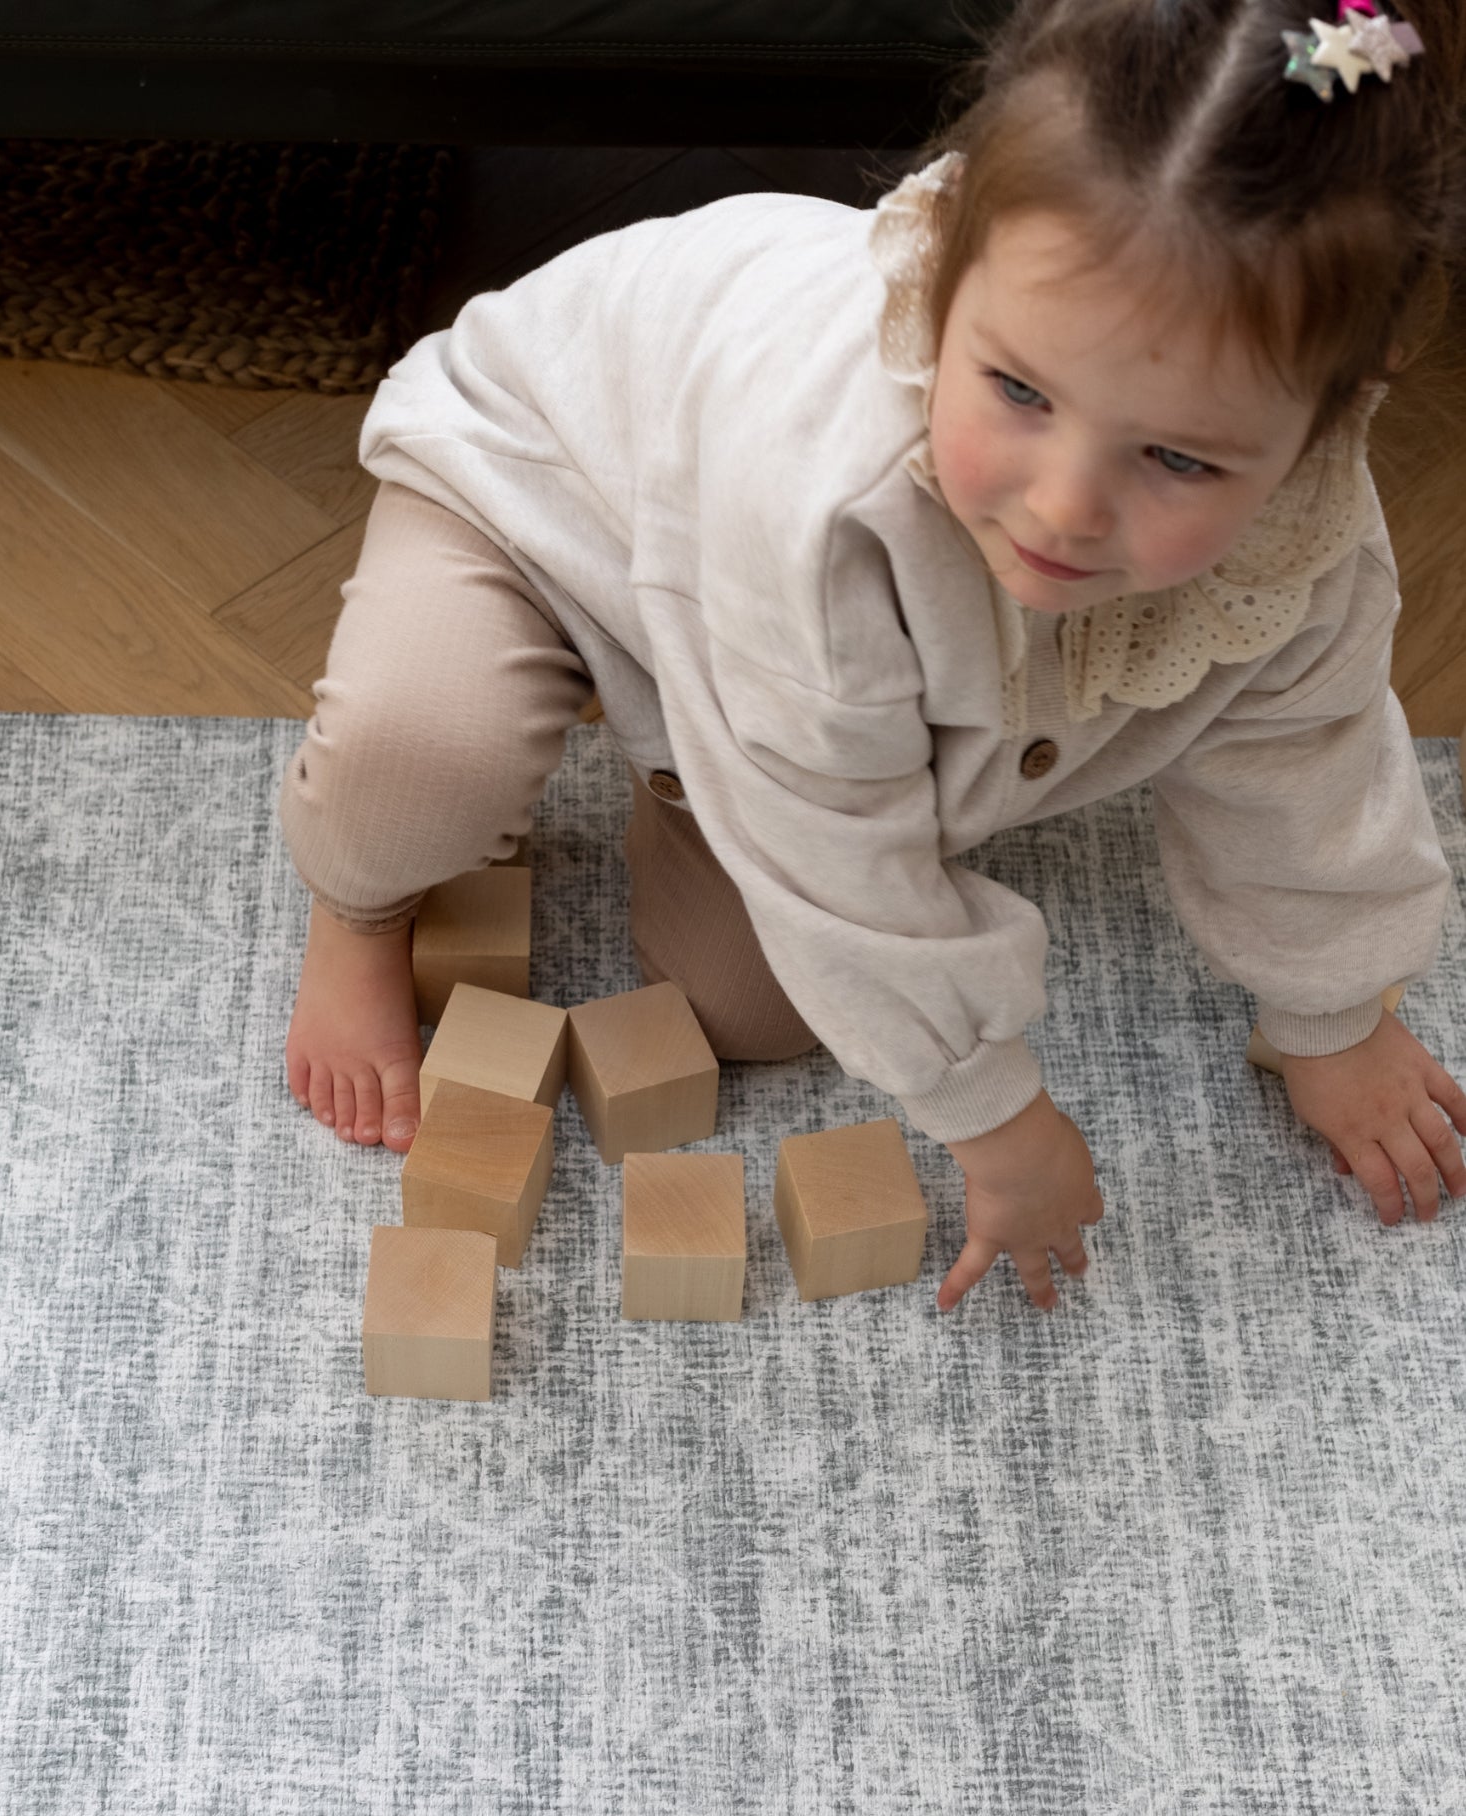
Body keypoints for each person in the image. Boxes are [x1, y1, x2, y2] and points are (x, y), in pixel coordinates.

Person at [280, 0, 1466, 1314]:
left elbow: (1313, 779)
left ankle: (692, 764)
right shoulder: (821, 485)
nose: (1064, 506)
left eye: (1178, 458)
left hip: (743, 646)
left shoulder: (1308, 548)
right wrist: (998, 1125)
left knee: (749, 1014)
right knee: (418, 774)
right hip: (538, 505)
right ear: (946, 261)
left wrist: (1335, 1023)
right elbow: (836, 857)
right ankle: (360, 909)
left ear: (1343, 404)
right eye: (1017, 389)